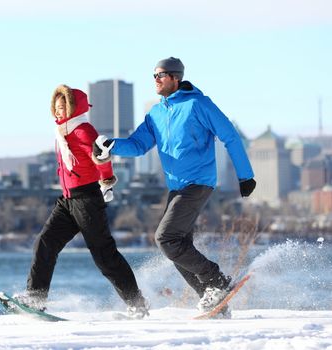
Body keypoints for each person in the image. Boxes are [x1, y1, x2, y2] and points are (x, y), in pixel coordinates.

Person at [93, 57, 256, 316]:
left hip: (199, 182)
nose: (155, 80)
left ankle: (216, 282)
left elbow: (230, 136)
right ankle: (211, 299)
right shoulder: (156, 114)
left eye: (160, 75)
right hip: (177, 187)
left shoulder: (198, 104)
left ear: (175, 77)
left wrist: (245, 176)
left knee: (166, 238)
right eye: (154, 75)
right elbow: (138, 145)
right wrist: (112, 144)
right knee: (177, 246)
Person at [15, 84, 149, 318]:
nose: (58, 112)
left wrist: (107, 180)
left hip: (87, 199)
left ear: (74, 108)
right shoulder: (63, 132)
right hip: (68, 200)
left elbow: (101, 157)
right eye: (55, 107)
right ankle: (35, 298)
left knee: (104, 255)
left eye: (62, 106)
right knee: (45, 243)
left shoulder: (83, 131)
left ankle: (136, 303)